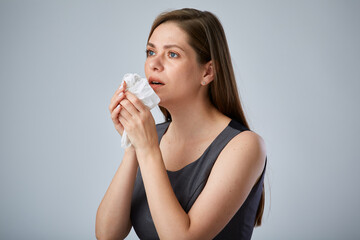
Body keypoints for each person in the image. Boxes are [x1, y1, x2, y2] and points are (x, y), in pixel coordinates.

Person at [96, 8, 267, 240]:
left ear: (207, 72)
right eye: (150, 51)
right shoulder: (151, 136)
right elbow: (107, 234)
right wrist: (132, 146)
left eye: (172, 54)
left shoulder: (245, 146)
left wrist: (147, 149)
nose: (153, 64)